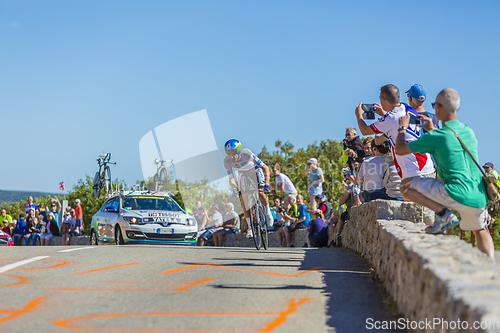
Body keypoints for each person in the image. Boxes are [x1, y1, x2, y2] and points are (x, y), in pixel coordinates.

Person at [395, 88, 494, 259]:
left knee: (404, 185)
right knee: (480, 230)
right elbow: (449, 139)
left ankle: (443, 214)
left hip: (454, 192)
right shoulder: (468, 131)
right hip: (479, 196)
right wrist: (431, 127)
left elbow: (400, 149)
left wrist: (402, 129)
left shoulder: (436, 136)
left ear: (439, 108)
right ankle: (490, 267)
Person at [355, 84, 436, 225]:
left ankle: (431, 239)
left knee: (422, 215)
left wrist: (359, 116)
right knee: (423, 210)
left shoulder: (391, 118)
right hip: (426, 165)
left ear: (383, 99)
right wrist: (383, 115)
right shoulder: (409, 110)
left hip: (414, 170)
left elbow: (365, 130)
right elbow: (396, 125)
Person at [223, 139, 273, 238]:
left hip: (255, 170)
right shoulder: (227, 161)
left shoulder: (247, 154)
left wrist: (266, 185)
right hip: (243, 174)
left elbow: (265, 168)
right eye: (228, 153)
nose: (231, 156)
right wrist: (234, 190)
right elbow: (231, 178)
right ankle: (251, 227)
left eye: (233, 153)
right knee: (244, 199)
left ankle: (267, 212)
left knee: (261, 193)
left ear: (238, 151)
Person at [333, 170, 362, 247]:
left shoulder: (351, 187)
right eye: (345, 176)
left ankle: (338, 235)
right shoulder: (364, 184)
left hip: (351, 212)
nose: (346, 178)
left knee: (342, 217)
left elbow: (341, 202)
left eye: (348, 175)